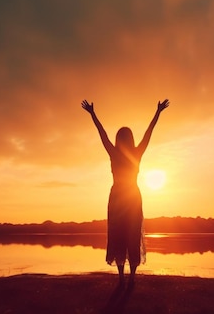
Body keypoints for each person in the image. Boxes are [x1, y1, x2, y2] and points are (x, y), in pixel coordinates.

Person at [81, 99, 170, 287]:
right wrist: (158, 113)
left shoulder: (115, 153)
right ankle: (129, 278)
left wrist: (93, 115)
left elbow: (103, 135)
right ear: (130, 139)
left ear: (118, 140)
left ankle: (124, 278)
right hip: (130, 198)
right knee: (127, 235)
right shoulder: (135, 154)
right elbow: (148, 134)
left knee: (122, 235)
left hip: (120, 199)